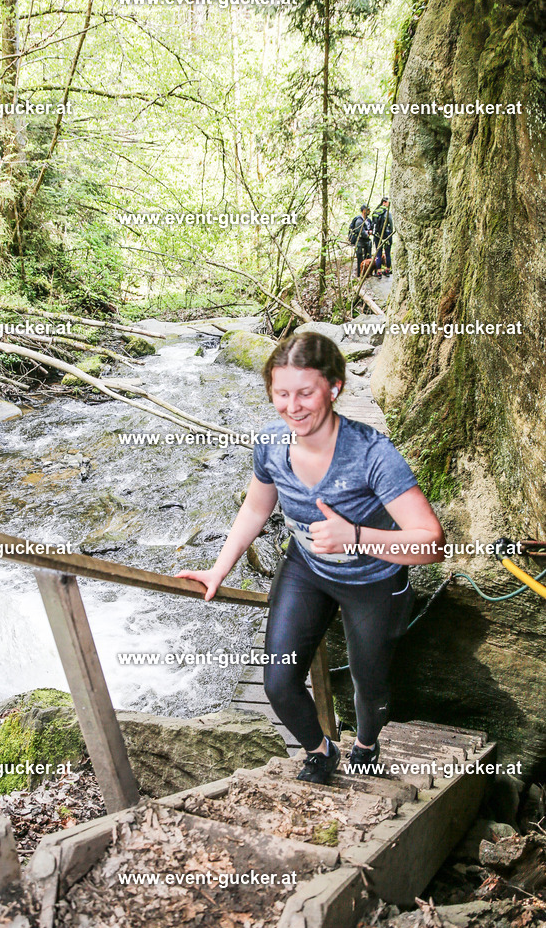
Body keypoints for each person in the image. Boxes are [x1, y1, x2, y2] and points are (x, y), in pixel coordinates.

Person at [176, 332, 445, 785]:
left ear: (334, 387)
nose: (293, 406)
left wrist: (355, 536)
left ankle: (366, 745)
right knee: (279, 683)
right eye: (281, 394)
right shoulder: (270, 443)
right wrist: (219, 568)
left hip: (374, 581)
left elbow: (431, 544)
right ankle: (321, 751)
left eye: (305, 393)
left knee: (369, 684)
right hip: (307, 570)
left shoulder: (373, 454)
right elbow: (256, 508)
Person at [348, 205, 373, 280]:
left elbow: (371, 228)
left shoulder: (368, 220)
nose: (369, 211)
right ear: (364, 210)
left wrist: (370, 232)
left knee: (368, 257)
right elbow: (360, 231)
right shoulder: (359, 220)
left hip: (367, 241)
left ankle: (368, 273)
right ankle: (360, 274)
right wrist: (367, 233)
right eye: (368, 210)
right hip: (360, 241)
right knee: (360, 259)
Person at [371, 197, 393, 277]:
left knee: (378, 254)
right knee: (387, 253)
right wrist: (390, 233)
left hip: (377, 235)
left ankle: (379, 272)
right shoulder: (387, 213)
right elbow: (391, 224)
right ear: (384, 202)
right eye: (388, 202)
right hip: (386, 235)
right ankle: (387, 270)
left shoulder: (376, 212)